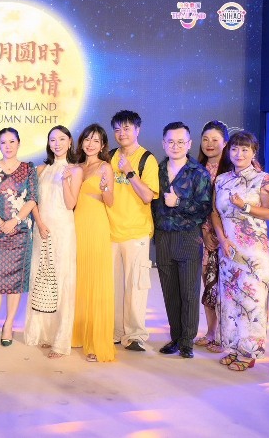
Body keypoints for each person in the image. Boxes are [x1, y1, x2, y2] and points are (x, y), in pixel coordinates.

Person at [212, 131, 269, 371]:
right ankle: (233, 348)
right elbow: (214, 213)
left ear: (253, 152)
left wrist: (245, 206)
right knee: (230, 299)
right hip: (228, 248)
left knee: (252, 299)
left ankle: (249, 352)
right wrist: (222, 240)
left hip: (252, 251)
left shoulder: (263, 179)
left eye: (245, 149)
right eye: (235, 149)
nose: (239, 154)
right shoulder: (221, 180)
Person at [153, 121, 212, 359]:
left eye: (180, 142)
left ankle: (187, 340)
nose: (175, 146)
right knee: (170, 291)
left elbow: (204, 208)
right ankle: (176, 337)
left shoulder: (199, 173)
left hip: (188, 237)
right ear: (163, 144)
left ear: (189, 144)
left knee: (189, 291)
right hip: (163, 237)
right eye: (170, 142)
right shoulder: (156, 169)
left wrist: (178, 202)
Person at [0, 128, 38, 349]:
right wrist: (0, 222)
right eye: (3, 142)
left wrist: (15, 220)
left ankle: (9, 324)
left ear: (19, 143)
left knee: (15, 282)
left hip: (20, 232)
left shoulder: (28, 168)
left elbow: (32, 199)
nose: (8, 146)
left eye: (12, 141)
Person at [25, 126, 81, 358]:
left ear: (70, 142)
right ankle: (44, 334)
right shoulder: (41, 169)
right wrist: (39, 223)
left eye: (62, 139)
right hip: (42, 230)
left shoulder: (75, 170)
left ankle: (60, 341)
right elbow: (32, 201)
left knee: (61, 281)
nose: (57, 143)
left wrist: (66, 181)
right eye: (52, 140)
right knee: (41, 280)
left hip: (63, 231)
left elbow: (70, 204)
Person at [107, 111, 159, 352]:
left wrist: (129, 172)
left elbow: (148, 196)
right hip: (110, 231)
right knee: (114, 286)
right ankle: (116, 331)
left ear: (138, 130)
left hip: (136, 232)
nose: (122, 133)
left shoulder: (146, 159)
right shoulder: (110, 156)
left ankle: (135, 334)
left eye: (127, 128)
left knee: (136, 286)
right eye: (117, 129)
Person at [72, 124, 115, 362]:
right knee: (79, 278)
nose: (90, 144)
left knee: (96, 280)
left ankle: (95, 341)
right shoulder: (76, 167)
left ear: (102, 145)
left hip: (96, 226)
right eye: (87, 139)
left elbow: (110, 201)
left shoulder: (105, 167)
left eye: (96, 141)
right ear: (81, 142)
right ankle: (77, 333)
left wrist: (105, 186)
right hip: (76, 225)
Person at [194, 120, 228, 353]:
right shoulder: (196, 169)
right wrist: (205, 233)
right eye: (205, 139)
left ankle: (227, 336)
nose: (209, 144)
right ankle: (210, 332)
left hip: (228, 237)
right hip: (204, 236)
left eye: (215, 139)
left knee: (227, 288)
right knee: (209, 286)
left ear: (225, 142)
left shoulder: (234, 168)